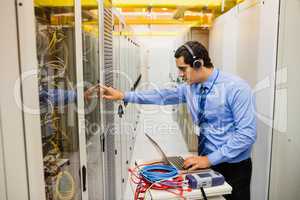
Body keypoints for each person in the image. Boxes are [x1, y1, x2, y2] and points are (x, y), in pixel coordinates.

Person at [104, 41, 256, 200]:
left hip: (234, 167)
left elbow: (246, 135)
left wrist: (209, 159)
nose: (180, 74)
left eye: (183, 69)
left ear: (198, 64)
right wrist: (124, 95)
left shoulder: (236, 88)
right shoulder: (191, 88)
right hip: (204, 163)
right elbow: (161, 95)